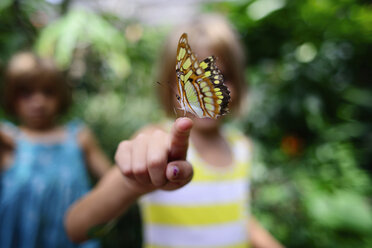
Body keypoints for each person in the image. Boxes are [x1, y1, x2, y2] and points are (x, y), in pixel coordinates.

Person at [66, 14, 284, 248]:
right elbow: (76, 228)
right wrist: (133, 182)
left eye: (223, 76)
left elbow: (236, 215)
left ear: (238, 84)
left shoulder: (241, 147)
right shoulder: (157, 142)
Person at [0, 52, 111, 248]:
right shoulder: (8, 142)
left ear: (61, 95)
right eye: (26, 93)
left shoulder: (78, 138)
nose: (38, 102)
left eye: (48, 92)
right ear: (12, 97)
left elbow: (112, 180)